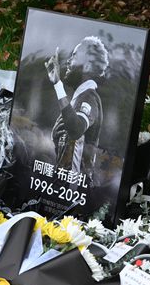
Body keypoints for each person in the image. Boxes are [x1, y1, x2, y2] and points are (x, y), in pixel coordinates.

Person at [45, 36, 109, 185]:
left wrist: (58, 84)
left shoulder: (89, 97)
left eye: (74, 56)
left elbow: (76, 129)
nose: (68, 61)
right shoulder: (79, 97)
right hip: (64, 183)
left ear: (87, 65)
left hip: (74, 188)